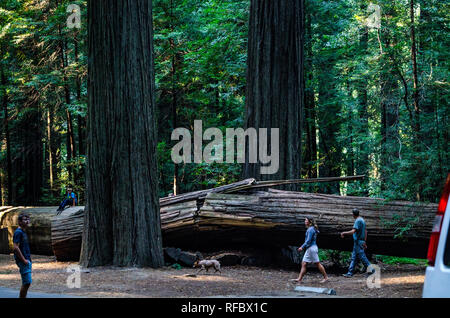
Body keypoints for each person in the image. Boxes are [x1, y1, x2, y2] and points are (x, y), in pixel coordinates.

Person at [292, 217, 329, 284]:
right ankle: (299, 279)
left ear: (310, 222)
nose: (305, 221)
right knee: (304, 263)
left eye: (306, 220)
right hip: (310, 248)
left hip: (312, 248)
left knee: (317, 263)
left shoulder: (311, 229)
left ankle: (326, 278)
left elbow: (308, 240)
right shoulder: (311, 229)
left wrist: (302, 247)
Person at [340, 208, 375, 278]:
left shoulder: (358, 221)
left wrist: (344, 233)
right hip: (359, 242)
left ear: (353, 214)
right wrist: (364, 241)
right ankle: (350, 273)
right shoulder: (362, 220)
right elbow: (365, 232)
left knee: (362, 257)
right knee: (354, 257)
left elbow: (353, 231)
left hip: (358, 242)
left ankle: (372, 270)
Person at [13, 213, 32, 298]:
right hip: (23, 261)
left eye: (28, 219)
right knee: (26, 282)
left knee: (27, 283)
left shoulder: (23, 232)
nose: (27, 221)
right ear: (19, 222)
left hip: (27, 260)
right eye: (25, 219)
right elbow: (16, 247)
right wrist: (24, 260)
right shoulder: (18, 232)